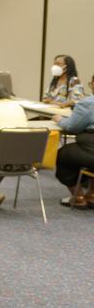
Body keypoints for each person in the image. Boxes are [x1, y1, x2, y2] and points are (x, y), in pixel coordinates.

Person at [53, 73, 94, 208]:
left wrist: (59, 120)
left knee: (63, 155)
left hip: (90, 147)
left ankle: (79, 197)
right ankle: (92, 195)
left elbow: (72, 126)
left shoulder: (88, 103)